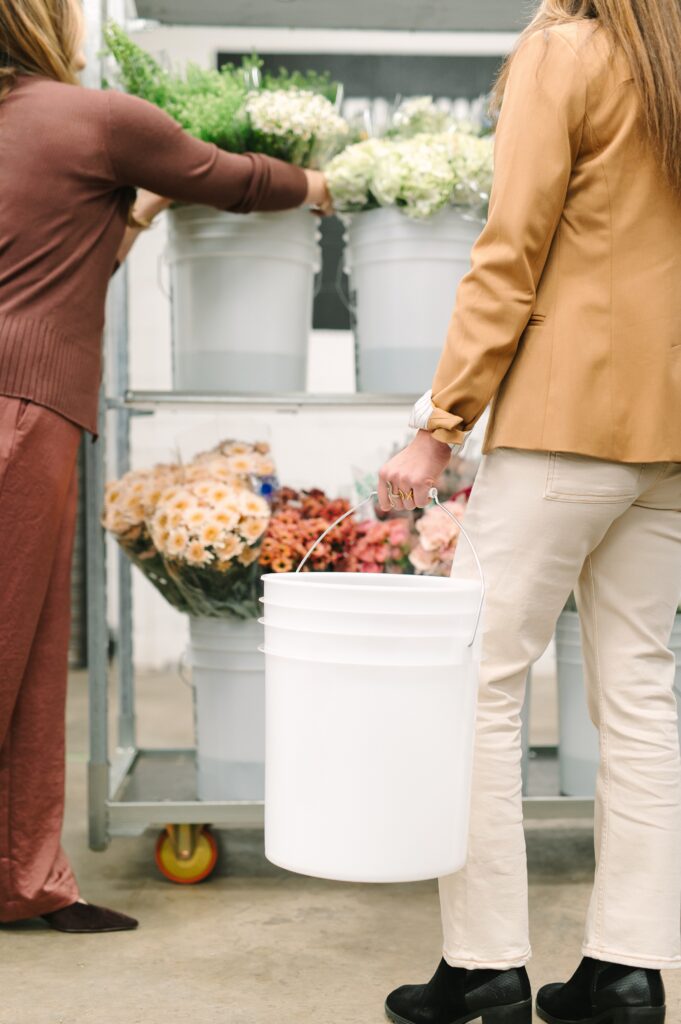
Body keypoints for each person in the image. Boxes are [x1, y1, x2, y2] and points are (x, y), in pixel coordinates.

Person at [378, 1, 681, 1022]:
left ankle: (484, 968)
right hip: (672, 437)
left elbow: (511, 249)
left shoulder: (566, 52)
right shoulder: (672, 61)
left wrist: (441, 419)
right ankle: (628, 972)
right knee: (639, 695)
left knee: (482, 685)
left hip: (562, 425)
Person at [0, 0, 331, 934]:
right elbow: (229, 176)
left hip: (34, 405)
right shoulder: (94, 117)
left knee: (28, 666)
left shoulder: (37, 129)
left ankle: (25, 882)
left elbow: (48, 264)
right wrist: (317, 184)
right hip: (19, 408)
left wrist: (135, 218)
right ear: (43, 27)